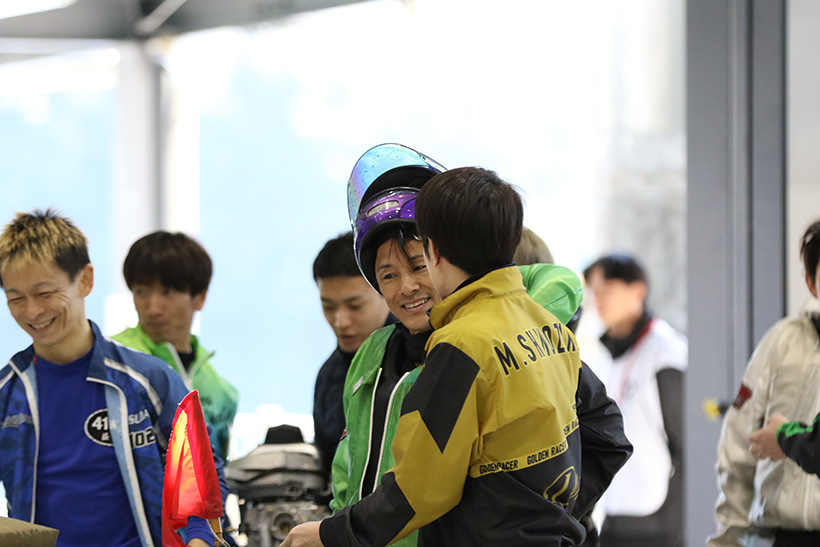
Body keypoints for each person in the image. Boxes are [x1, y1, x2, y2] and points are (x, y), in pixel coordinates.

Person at [283, 165, 631, 547]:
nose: (407, 286)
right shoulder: (538, 325)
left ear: (436, 252)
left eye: (418, 265)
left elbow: (421, 490)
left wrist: (332, 534)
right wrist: (550, 518)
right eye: (388, 276)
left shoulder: (460, 346)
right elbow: (608, 436)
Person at [0, 209, 222, 547]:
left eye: (45, 293)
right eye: (15, 298)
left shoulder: (149, 380)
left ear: (85, 280)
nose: (32, 311)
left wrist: (199, 539)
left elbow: (203, 480)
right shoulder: (7, 395)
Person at [712, 218, 820, 547]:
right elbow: (738, 447)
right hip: (784, 535)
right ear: (811, 282)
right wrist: (729, 539)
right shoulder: (782, 341)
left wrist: (787, 438)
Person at [581, 254, 686, 547]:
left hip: (658, 522)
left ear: (638, 290)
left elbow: (687, 444)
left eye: (608, 289)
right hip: (614, 515)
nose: (598, 299)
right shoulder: (608, 356)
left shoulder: (666, 352)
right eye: (594, 291)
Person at [113, 230, 238, 463]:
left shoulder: (222, 392)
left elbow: (216, 470)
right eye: (141, 291)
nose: (153, 308)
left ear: (199, 298)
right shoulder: (112, 360)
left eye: (167, 292)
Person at [312, 231, 392, 484]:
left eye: (355, 306)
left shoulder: (418, 359)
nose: (340, 321)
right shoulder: (329, 376)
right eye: (328, 307)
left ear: (386, 290)